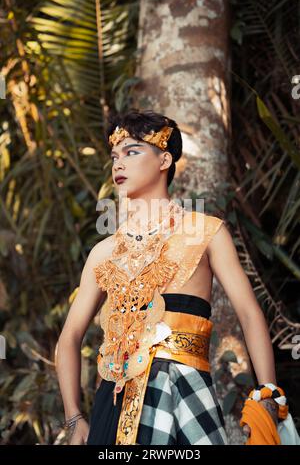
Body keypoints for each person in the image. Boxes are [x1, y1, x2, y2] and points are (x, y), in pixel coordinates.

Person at [56, 109, 287, 446]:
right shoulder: (104, 252)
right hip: (114, 402)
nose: (118, 164)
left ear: (164, 160)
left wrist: (267, 392)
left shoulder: (206, 232)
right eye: (114, 156)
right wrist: (74, 417)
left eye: (132, 152)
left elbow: (250, 314)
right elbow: (69, 337)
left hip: (184, 391)